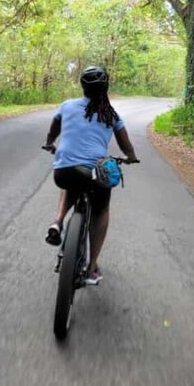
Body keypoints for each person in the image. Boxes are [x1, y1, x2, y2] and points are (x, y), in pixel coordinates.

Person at [44, 66, 139, 285]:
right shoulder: (111, 114)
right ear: (106, 87)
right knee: (102, 210)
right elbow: (126, 145)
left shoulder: (67, 105)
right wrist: (131, 157)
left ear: (82, 86)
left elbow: (53, 128)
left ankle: (57, 222)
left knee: (70, 181)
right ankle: (92, 266)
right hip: (96, 172)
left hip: (64, 171)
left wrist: (50, 143)